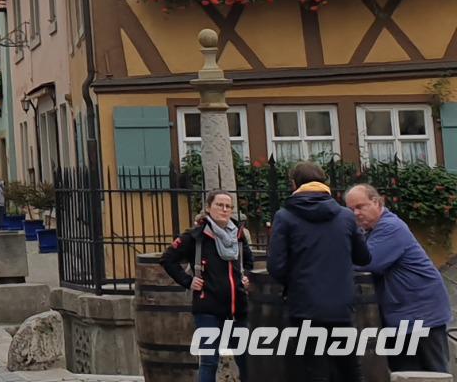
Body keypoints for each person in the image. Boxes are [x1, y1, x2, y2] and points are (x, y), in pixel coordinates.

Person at [267, 162, 371, 382]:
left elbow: (276, 266)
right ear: (325, 182)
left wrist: (295, 282)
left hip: (304, 307)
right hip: (340, 305)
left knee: (314, 371)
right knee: (349, 370)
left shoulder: (284, 217)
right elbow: (364, 257)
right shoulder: (345, 216)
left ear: (294, 184)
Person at [345, 183, 451, 377]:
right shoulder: (368, 232)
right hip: (400, 316)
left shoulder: (390, 227)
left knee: (434, 373)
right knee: (404, 373)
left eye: (360, 207)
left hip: (423, 314)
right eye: (351, 210)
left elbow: (368, 262)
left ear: (377, 202)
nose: (355, 213)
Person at [161, 189, 254, 382]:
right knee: (209, 360)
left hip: (237, 308)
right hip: (208, 308)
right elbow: (168, 259)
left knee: (246, 360)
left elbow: (248, 260)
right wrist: (188, 281)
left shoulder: (238, 235)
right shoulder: (196, 236)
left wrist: (247, 277)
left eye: (228, 206)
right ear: (208, 207)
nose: (224, 209)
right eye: (219, 205)